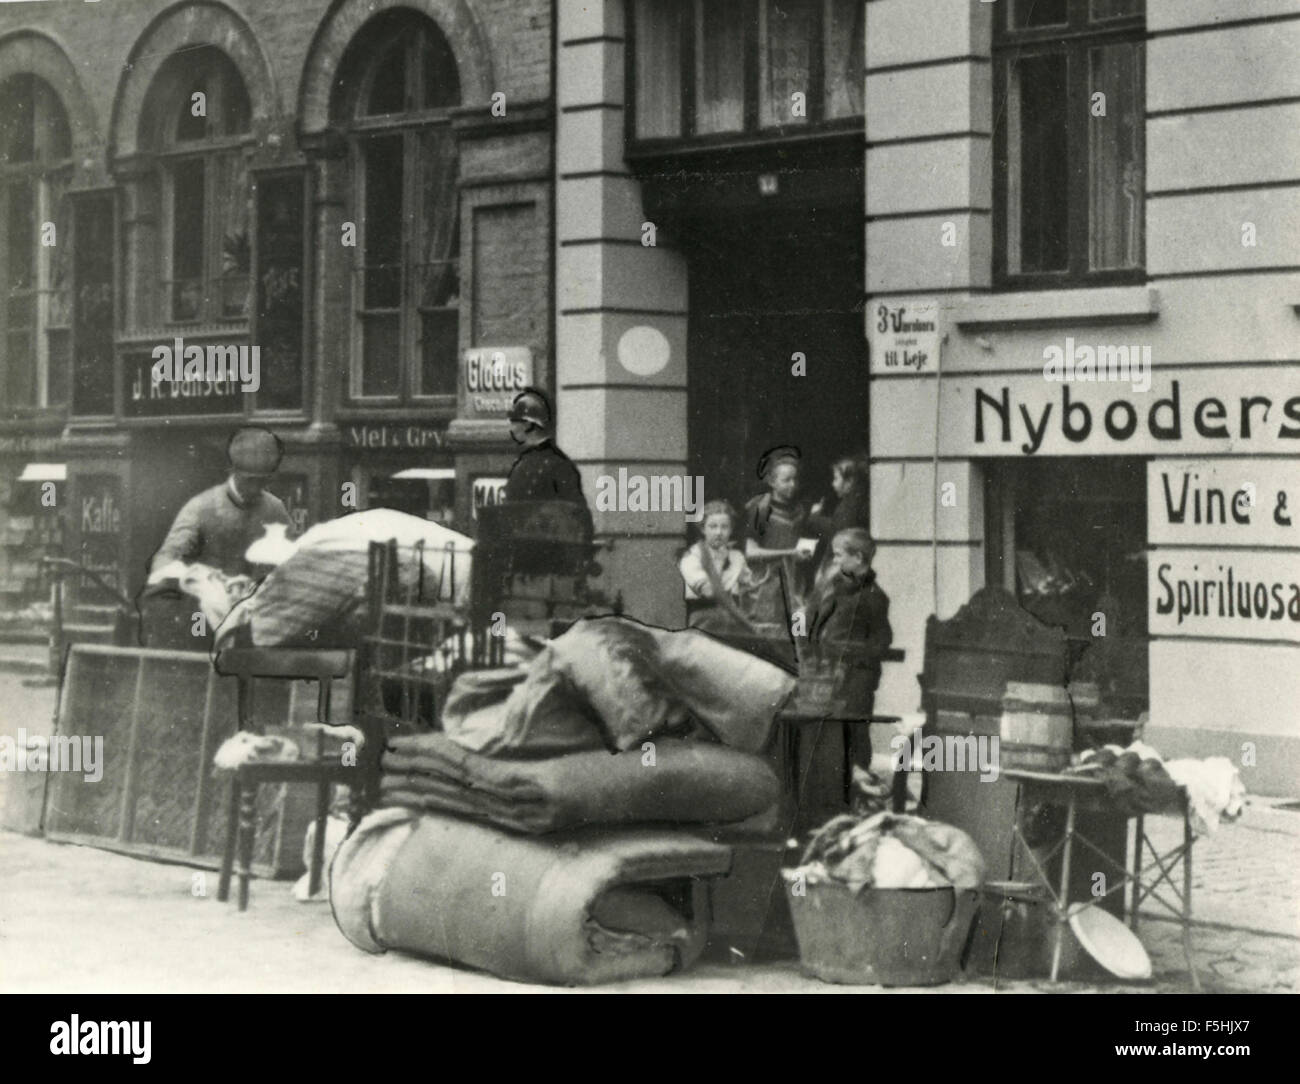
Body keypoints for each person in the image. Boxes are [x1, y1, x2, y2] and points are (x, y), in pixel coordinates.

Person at [140, 426, 294, 647]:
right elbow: (168, 557)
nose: (256, 488)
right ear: (233, 471)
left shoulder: (274, 508)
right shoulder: (203, 507)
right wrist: (201, 580)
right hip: (204, 617)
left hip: (255, 612)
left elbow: (293, 557)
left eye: (262, 481)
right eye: (250, 480)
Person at [805, 528, 893, 717]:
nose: (835, 561)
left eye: (838, 555)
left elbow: (882, 640)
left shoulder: (873, 597)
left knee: (852, 735)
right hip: (826, 675)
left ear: (858, 558)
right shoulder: (833, 588)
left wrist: (847, 658)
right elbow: (809, 620)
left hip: (855, 682)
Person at [741, 446, 819, 628]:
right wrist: (791, 553)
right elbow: (750, 552)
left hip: (796, 587)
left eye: (795, 479)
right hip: (765, 588)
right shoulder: (760, 508)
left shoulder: (801, 509)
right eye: (786, 480)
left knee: (799, 636)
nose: (793, 485)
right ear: (772, 481)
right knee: (770, 638)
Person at [503, 388, 588, 511]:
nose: (512, 427)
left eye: (515, 422)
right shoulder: (559, 463)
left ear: (528, 425)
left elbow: (574, 516)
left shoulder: (558, 466)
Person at [677, 500, 752, 632]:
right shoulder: (692, 557)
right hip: (704, 622)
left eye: (724, 527)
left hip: (734, 623)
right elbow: (709, 591)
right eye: (713, 526)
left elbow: (749, 589)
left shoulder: (737, 557)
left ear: (731, 529)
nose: (719, 532)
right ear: (702, 529)